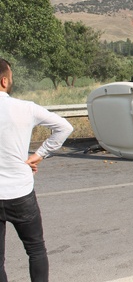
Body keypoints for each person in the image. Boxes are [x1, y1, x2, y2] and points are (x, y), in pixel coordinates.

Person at [0, 58, 73, 282]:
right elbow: (64, 127)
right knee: (36, 250)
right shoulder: (25, 108)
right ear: (4, 81)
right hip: (20, 193)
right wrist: (38, 155)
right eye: (11, 77)